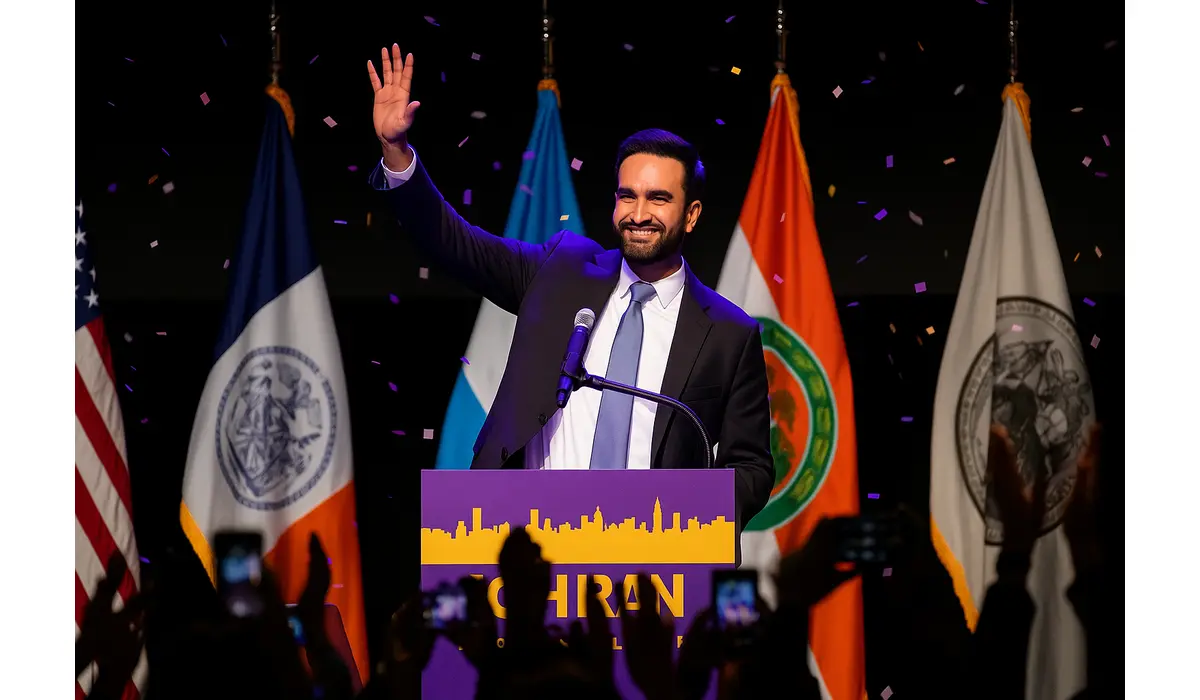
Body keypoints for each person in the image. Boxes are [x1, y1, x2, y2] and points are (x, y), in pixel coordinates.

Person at [365, 44, 774, 535]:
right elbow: (456, 245)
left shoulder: (729, 333)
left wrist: (686, 517)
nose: (639, 213)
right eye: (628, 195)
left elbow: (752, 468)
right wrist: (397, 153)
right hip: (528, 545)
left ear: (691, 215)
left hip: (655, 562)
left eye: (658, 199)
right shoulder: (561, 271)